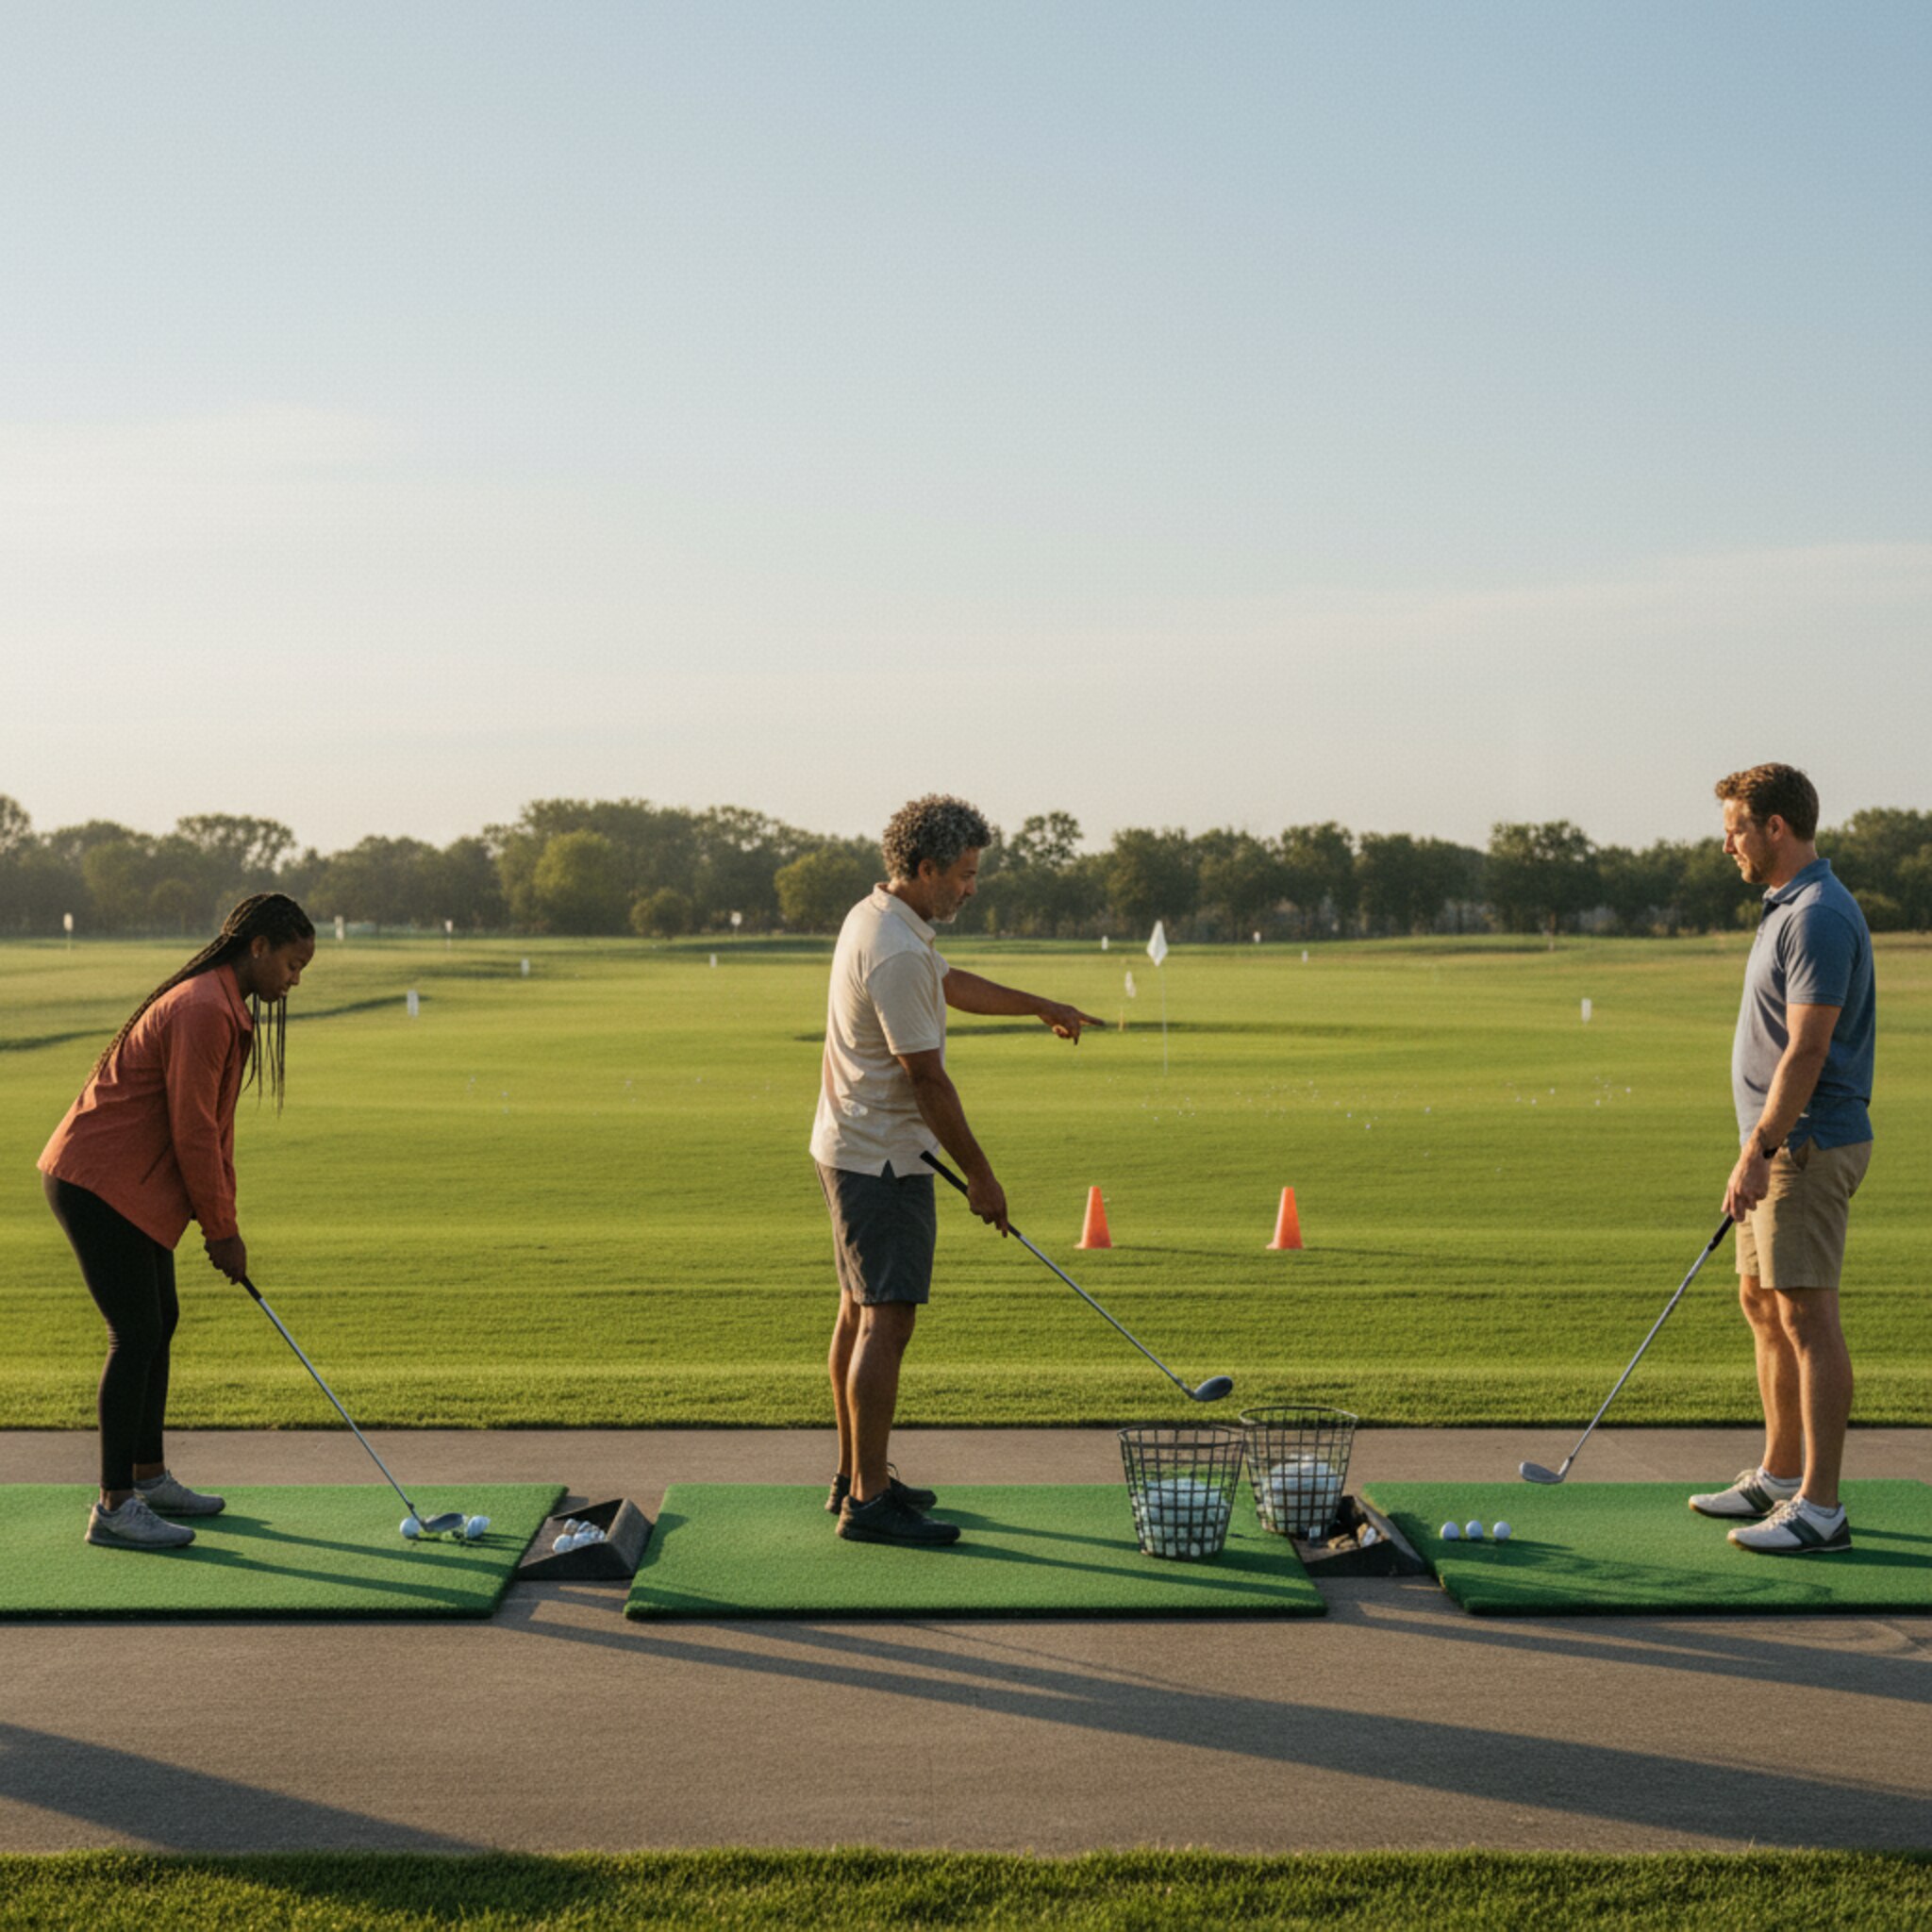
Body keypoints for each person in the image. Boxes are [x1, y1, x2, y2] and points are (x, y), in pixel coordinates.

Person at [811, 794, 1102, 1547]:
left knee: (857, 1312)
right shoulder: (897, 948)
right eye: (965, 875)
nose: (972, 888)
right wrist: (981, 1176)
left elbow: (947, 982)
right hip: (882, 1156)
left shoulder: (879, 917)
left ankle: (855, 1475)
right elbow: (926, 1078)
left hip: (850, 1143)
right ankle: (868, 1503)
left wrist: (1039, 1004)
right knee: (887, 1320)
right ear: (926, 868)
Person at [39, 892, 317, 1551]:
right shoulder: (203, 1009)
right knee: (134, 1332)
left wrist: (225, 1223)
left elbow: (215, 1134)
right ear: (258, 947)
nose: (295, 980)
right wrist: (220, 1231)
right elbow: (192, 1131)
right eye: (292, 964)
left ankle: (149, 1476)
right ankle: (114, 1507)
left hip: (125, 1184)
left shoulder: (223, 1005)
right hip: (97, 1181)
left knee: (159, 1320)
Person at [1687, 766, 1874, 1555]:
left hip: (1806, 1142)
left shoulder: (1818, 915)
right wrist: (1754, 1145)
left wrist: (1762, 1147)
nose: (1727, 843)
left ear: (1776, 827)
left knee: (1806, 1315)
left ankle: (1820, 1508)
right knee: (1763, 1305)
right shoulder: (1785, 908)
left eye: (1736, 828)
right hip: (1774, 1141)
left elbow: (1808, 1047)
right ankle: (1779, 1472)